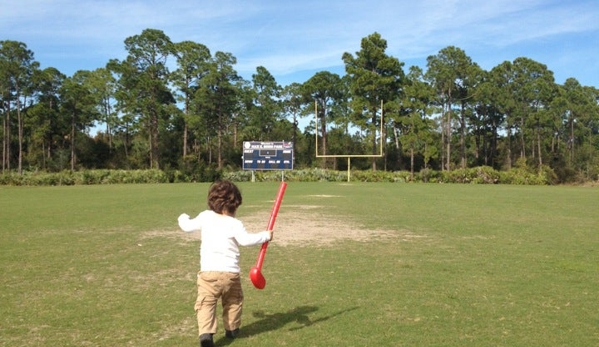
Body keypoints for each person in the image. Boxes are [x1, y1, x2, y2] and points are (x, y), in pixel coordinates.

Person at [178, 180, 273, 347]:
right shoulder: (234, 224)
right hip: (230, 275)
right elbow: (246, 240)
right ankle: (232, 329)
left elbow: (186, 226)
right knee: (234, 301)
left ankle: (206, 334)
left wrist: (182, 216)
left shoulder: (205, 216)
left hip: (208, 274)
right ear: (235, 205)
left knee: (206, 303)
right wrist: (266, 235)